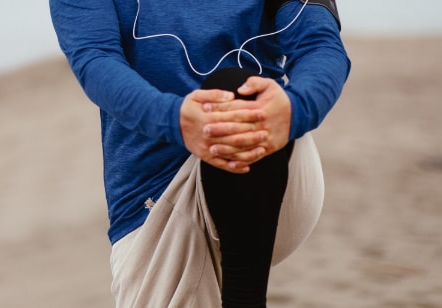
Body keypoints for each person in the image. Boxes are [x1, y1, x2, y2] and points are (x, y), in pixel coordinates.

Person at [49, 0, 350, 307]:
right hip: (156, 198)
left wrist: (294, 109)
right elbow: (95, 58)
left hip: (269, 170)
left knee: (236, 92)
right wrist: (176, 118)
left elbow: (320, 45)